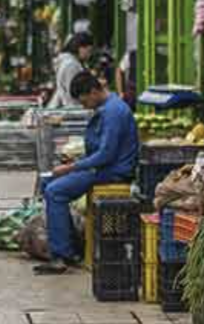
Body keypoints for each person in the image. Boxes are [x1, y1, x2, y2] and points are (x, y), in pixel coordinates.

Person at [34, 72, 140, 275]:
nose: (84, 106)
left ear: (93, 92)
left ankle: (60, 256)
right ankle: (69, 247)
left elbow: (106, 155)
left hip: (113, 172)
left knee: (55, 191)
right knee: (47, 184)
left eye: (84, 101)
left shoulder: (113, 112)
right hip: (102, 167)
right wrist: (76, 163)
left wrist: (71, 167)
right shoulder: (107, 107)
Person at [48, 32, 94, 109]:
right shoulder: (71, 65)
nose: (89, 55)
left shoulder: (69, 61)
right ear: (80, 48)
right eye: (88, 51)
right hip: (72, 109)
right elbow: (72, 92)